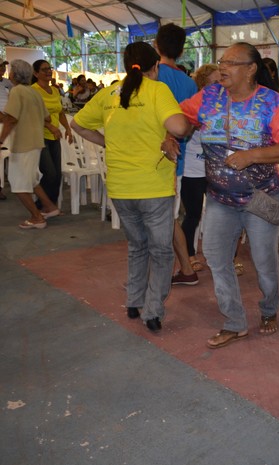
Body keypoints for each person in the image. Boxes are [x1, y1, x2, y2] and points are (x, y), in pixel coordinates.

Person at [173, 42, 279, 349]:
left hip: (261, 199)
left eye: (231, 62)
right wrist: (168, 136)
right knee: (217, 258)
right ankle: (234, 322)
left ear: (251, 68)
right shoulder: (209, 96)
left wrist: (253, 155)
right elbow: (180, 118)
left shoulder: (272, 102)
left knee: (263, 261)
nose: (223, 68)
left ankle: (269, 309)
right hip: (220, 199)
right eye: (221, 62)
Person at [70, 42, 190, 332]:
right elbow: (179, 128)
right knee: (161, 251)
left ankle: (134, 301)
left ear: (126, 66)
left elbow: (78, 124)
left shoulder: (109, 93)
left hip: (121, 187)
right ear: (155, 66)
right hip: (153, 186)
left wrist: (108, 142)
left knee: (137, 246)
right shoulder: (157, 90)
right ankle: (153, 311)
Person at [154, 22, 200, 286]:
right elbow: (190, 126)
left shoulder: (151, 76)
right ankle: (185, 268)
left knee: (158, 222)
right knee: (169, 218)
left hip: (152, 158)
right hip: (177, 160)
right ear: (182, 51)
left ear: (156, 45)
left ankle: (162, 275)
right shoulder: (188, 83)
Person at [0, 59, 57, 229]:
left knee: (17, 184)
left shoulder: (17, 91)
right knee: (32, 179)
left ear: (14, 74)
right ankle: (50, 207)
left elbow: (10, 119)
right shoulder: (33, 92)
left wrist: (1, 139)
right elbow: (46, 117)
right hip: (36, 142)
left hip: (23, 143)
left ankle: (37, 217)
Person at [180, 64, 220, 272]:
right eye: (214, 82)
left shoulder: (223, 106)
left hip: (213, 169)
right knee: (193, 215)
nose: (218, 86)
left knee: (220, 215)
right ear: (203, 84)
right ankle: (189, 255)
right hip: (193, 170)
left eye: (220, 81)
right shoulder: (195, 106)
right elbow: (183, 131)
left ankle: (221, 257)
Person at [32, 59, 73, 210]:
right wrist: (49, 125)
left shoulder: (55, 90)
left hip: (55, 137)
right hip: (40, 136)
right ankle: (41, 205)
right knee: (49, 173)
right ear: (36, 73)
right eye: (44, 69)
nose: (48, 71)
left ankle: (52, 205)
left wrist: (67, 128)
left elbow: (60, 112)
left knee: (57, 175)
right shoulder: (34, 90)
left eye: (49, 68)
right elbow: (33, 114)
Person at [0, 57, 13, 200]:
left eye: (3, 67)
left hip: (7, 123)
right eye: (0, 67)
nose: (2, 70)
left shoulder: (6, 83)